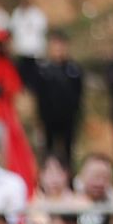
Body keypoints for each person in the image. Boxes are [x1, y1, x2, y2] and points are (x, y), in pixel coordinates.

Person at [33, 31, 84, 171]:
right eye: (55, 46)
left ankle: (68, 177)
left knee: (68, 150)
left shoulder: (73, 69)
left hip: (68, 117)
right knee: (48, 150)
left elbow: (79, 93)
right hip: (49, 118)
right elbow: (39, 96)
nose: (59, 50)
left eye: (61, 46)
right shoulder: (44, 70)